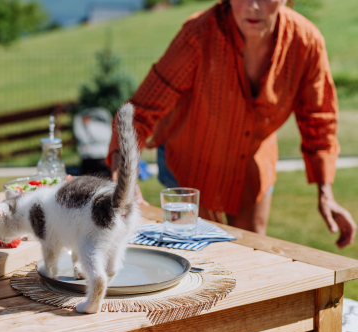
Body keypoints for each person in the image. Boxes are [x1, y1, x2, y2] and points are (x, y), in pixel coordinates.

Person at [107, 0, 356, 248]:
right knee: (199, 254)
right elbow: (138, 114)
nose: (253, 6)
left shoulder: (306, 42)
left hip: (253, 162)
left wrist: (326, 193)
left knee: (254, 251)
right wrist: (125, 183)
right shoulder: (198, 35)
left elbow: (318, 119)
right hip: (190, 161)